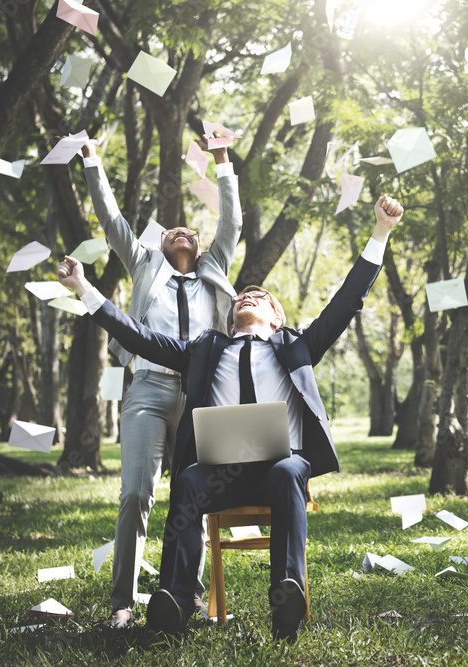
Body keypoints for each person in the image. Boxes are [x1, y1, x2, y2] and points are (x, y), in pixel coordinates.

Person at [58, 194, 404, 642]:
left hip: (279, 470)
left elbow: (347, 301)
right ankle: (178, 601)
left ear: (276, 319)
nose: (247, 295)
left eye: (259, 296)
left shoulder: (297, 347)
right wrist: (84, 290)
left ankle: (286, 595)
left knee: (290, 469)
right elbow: (139, 337)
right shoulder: (205, 349)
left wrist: (380, 231)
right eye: (243, 294)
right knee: (186, 481)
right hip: (219, 475)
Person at [80, 135, 241, 628]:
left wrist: (222, 161)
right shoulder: (145, 264)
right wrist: (92, 161)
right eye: (172, 230)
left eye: (189, 230)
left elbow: (232, 222)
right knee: (135, 494)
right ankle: (122, 604)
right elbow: (112, 223)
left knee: (191, 495)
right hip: (148, 388)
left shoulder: (214, 269)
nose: (181, 231)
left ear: (198, 246)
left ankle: (187, 593)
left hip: (201, 396)